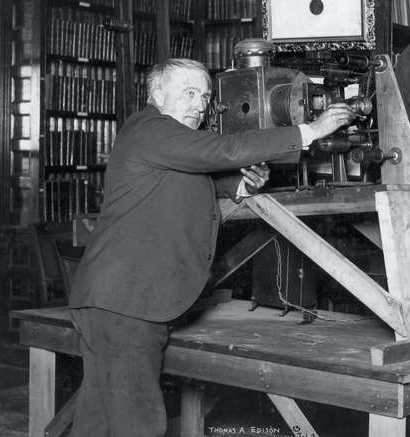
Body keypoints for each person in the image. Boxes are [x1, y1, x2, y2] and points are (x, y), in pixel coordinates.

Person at [67, 58, 355, 437]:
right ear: (156, 95)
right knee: (138, 424)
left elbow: (201, 181)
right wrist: (310, 131)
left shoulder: (168, 144)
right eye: (188, 93)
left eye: (204, 96)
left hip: (117, 300)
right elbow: (227, 150)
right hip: (126, 302)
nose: (199, 104)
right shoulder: (150, 129)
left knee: (99, 418)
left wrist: (242, 186)